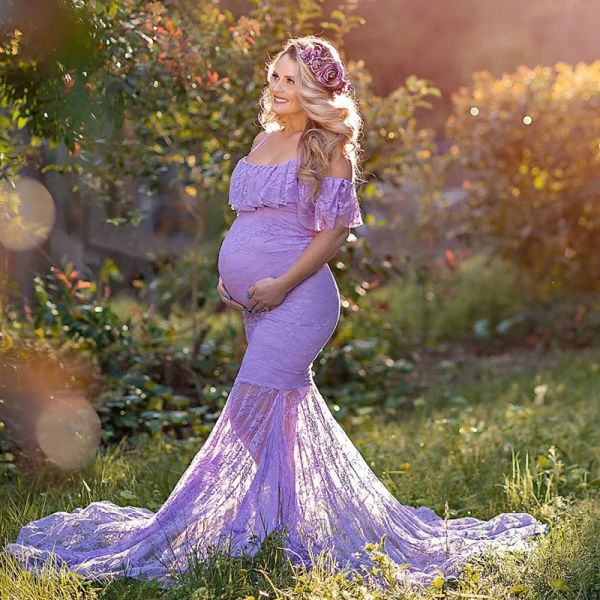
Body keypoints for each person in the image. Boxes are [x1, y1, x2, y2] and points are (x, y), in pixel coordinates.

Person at [4, 35, 548, 590]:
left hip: (300, 300)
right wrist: (230, 273)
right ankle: (283, 524)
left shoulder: (327, 147)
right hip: (255, 303)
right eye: (276, 77)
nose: (279, 88)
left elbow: (334, 230)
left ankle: (243, 522)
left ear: (314, 90)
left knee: (249, 406)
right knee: (277, 419)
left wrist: (282, 282)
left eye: (292, 80)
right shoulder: (264, 139)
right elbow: (252, 218)